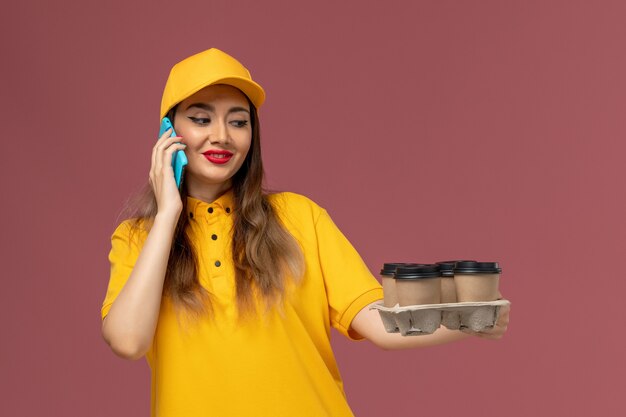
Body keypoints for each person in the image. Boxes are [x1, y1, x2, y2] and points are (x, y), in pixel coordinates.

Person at [101, 48, 510, 417]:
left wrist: (472, 318)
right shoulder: (138, 239)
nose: (222, 135)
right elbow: (128, 341)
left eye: (238, 121)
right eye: (201, 118)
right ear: (168, 133)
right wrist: (169, 213)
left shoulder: (299, 218)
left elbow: (380, 324)